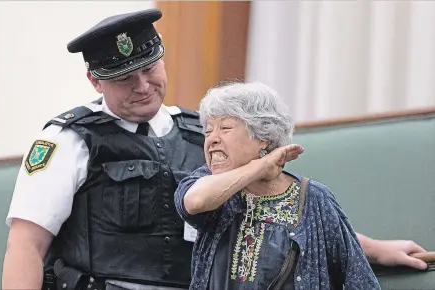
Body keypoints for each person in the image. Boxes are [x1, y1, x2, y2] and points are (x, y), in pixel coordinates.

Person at [2, 7, 427, 290]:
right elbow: (26, 245)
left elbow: (267, 213)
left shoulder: (201, 133)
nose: (142, 86)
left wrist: (370, 247)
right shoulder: (67, 140)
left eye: (149, 70)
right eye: (124, 79)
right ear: (96, 82)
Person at [173, 81, 423, 289]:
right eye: (208, 131)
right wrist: (261, 165)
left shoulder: (314, 198)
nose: (212, 139)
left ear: (264, 138)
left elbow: (358, 279)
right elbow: (194, 202)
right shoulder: (206, 185)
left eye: (225, 128)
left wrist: (377, 250)